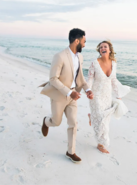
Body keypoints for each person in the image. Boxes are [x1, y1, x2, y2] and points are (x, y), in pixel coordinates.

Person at [39, 28, 93, 163]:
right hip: (60, 95)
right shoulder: (60, 56)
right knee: (56, 122)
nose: (85, 45)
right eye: (84, 41)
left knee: (73, 123)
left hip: (73, 96)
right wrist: (69, 92)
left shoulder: (80, 57)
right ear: (77, 41)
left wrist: (87, 90)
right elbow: (53, 79)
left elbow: (80, 78)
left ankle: (71, 152)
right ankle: (46, 121)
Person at [87, 40, 130, 154]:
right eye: (101, 47)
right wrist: (88, 90)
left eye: (105, 47)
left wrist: (118, 95)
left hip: (107, 95)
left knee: (105, 120)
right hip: (95, 95)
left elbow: (114, 80)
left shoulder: (113, 64)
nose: (102, 48)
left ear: (109, 50)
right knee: (100, 118)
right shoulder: (94, 63)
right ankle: (101, 143)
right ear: (99, 50)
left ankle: (92, 118)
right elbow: (90, 79)